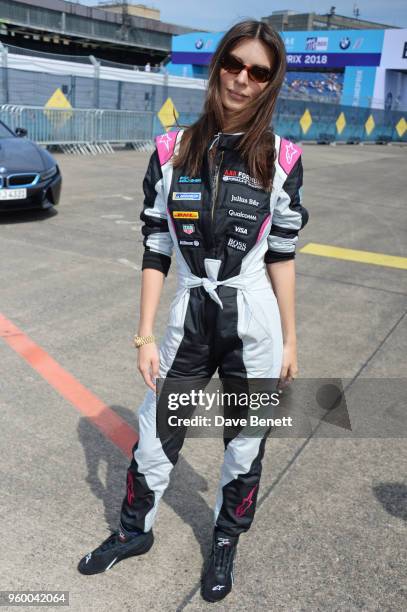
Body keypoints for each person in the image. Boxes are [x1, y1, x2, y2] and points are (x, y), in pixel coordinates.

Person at [78, 19, 309, 603]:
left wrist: (290, 339)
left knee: (248, 439)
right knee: (157, 434)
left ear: (270, 82)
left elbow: (282, 252)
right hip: (190, 317)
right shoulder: (172, 148)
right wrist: (144, 335)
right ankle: (134, 532)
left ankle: (226, 539)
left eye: (258, 71)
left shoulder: (282, 158)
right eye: (234, 63)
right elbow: (156, 243)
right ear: (218, 67)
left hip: (253, 319)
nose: (242, 78)